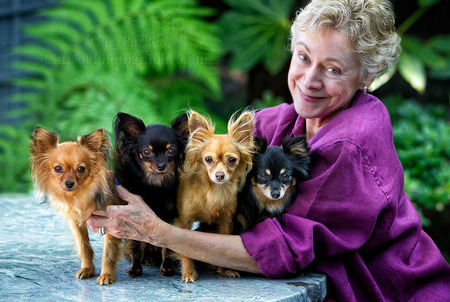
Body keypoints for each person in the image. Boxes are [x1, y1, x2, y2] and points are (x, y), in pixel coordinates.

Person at [88, 0, 450, 300]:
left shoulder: (349, 142)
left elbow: (278, 251)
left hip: (392, 291)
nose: (310, 81)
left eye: (334, 69)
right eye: (304, 57)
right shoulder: (294, 118)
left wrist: (158, 232)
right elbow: (210, 149)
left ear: (367, 76)